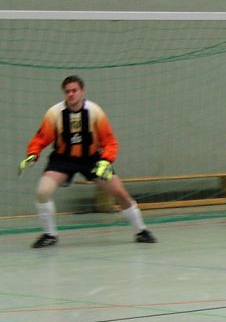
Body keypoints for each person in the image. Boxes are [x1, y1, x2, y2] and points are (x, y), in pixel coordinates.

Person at [18, 76, 156, 248]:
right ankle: (49, 235)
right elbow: (41, 138)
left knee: (121, 194)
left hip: (92, 159)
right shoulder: (54, 113)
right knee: (42, 192)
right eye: (67, 91)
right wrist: (32, 154)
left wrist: (105, 160)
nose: (71, 94)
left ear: (82, 91)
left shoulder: (95, 112)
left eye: (74, 90)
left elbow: (110, 141)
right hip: (63, 159)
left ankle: (141, 231)